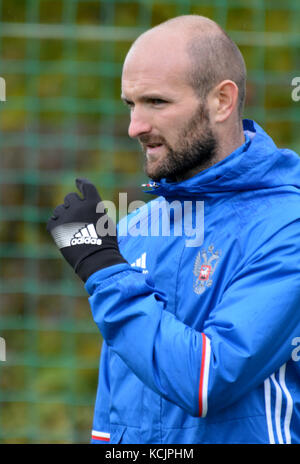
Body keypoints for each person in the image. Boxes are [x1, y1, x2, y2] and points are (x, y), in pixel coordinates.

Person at [47, 15, 300, 444]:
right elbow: (117, 404)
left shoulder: (286, 226)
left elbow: (207, 379)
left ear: (221, 101)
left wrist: (103, 268)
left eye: (157, 102)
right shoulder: (134, 227)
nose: (135, 127)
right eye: (131, 104)